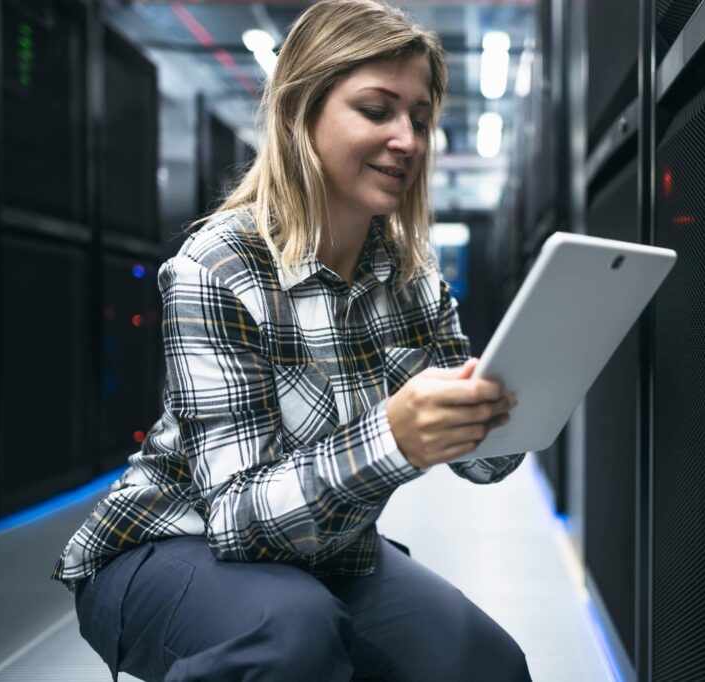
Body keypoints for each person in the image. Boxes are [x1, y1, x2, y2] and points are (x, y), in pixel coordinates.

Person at [51, 1, 531, 680]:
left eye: (420, 118)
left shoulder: (410, 275)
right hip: (167, 543)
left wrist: (526, 390)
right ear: (299, 114)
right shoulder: (217, 265)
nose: (409, 139)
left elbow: (486, 464)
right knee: (293, 635)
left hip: (327, 549)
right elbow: (239, 522)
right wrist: (392, 438)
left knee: (482, 662)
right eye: (377, 110)